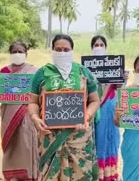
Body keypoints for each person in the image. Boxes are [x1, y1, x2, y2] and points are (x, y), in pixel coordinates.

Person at [28, 34, 100, 181]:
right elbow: (33, 102)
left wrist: (86, 117)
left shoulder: (83, 72)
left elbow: (94, 100)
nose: (62, 52)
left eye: (66, 49)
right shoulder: (41, 74)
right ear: (52, 50)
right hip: (50, 138)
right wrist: (35, 118)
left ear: (72, 51)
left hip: (79, 138)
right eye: (58, 49)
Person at [0, 41, 39, 181]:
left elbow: (39, 94)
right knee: (12, 147)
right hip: (9, 119)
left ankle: (30, 175)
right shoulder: (4, 72)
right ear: (10, 54)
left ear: (26, 54)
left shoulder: (34, 71)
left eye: (20, 51)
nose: (18, 54)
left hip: (28, 118)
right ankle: (13, 176)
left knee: (27, 147)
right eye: (14, 51)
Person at [91, 35, 127, 181]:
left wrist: (122, 78)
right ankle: (96, 174)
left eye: (101, 45)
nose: (98, 47)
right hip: (94, 108)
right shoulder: (87, 67)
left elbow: (120, 88)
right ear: (92, 48)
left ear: (105, 48)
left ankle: (109, 175)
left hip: (110, 106)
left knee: (110, 139)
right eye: (96, 45)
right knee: (96, 139)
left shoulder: (113, 65)